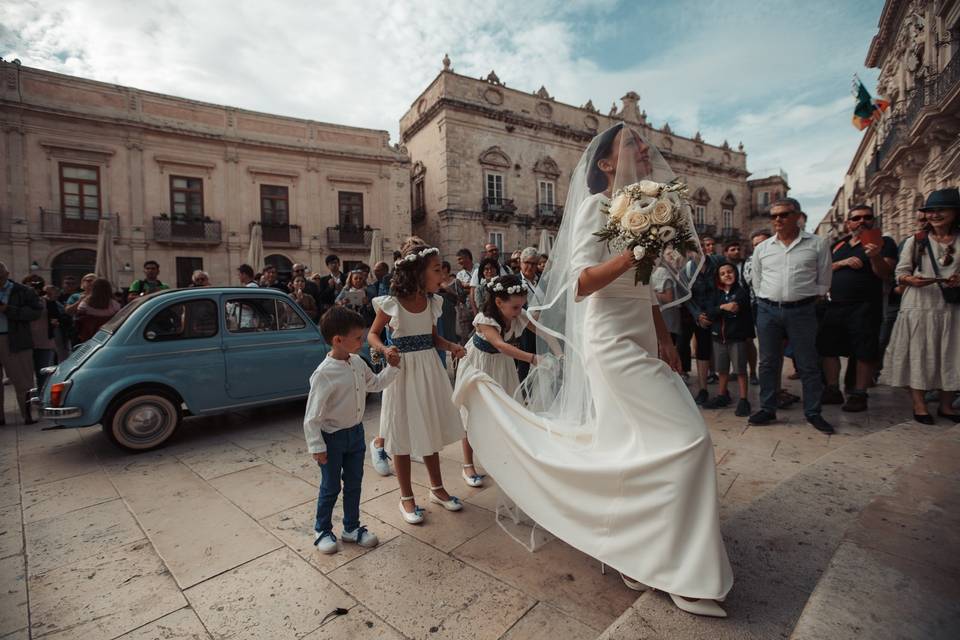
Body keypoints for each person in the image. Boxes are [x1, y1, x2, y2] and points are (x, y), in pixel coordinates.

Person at [452, 123, 732, 617]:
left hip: (643, 337)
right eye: (633, 145)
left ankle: (638, 553)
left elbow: (645, 288)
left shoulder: (649, 205)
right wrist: (635, 250)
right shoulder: (593, 208)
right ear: (606, 163)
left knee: (635, 448)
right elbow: (580, 284)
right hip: (609, 341)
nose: (645, 149)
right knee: (689, 440)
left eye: (645, 143)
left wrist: (665, 337)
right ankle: (681, 565)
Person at [366, 237, 467, 524]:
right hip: (403, 372)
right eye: (437, 269)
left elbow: (433, 338)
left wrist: (452, 347)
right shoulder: (392, 303)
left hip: (428, 369)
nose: (442, 275)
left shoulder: (433, 302)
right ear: (418, 272)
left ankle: (437, 488)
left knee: (429, 429)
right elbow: (372, 335)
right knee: (400, 433)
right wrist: (385, 350)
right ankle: (406, 497)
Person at [304, 306, 401, 553]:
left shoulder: (358, 362)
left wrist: (393, 367)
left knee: (354, 483)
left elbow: (376, 384)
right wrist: (317, 447)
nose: (362, 341)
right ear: (338, 340)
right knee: (331, 486)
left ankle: (351, 527)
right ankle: (322, 529)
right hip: (332, 438)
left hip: (355, 435)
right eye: (358, 338)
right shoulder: (323, 374)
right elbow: (312, 417)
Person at [749, 198, 834, 433]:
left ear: (798, 216)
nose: (778, 219)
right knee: (767, 363)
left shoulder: (818, 244)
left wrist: (806, 298)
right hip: (767, 309)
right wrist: (767, 298)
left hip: (802, 310)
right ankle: (767, 408)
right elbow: (757, 281)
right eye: (774, 215)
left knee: (808, 363)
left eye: (784, 214)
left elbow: (824, 279)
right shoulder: (762, 248)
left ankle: (813, 413)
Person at [882, 188, 960, 424]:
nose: (935, 215)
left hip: (952, 306)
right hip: (919, 305)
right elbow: (901, 273)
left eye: (941, 210)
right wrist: (911, 280)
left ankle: (946, 406)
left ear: (955, 212)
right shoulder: (916, 241)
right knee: (918, 353)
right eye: (930, 211)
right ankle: (919, 404)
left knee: (952, 353)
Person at [455, 274, 537, 488]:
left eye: (522, 306)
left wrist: (561, 344)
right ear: (499, 302)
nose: (520, 311)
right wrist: (533, 358)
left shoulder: (517, 312)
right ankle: (467, 465)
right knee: (473, 413)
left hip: (501, 364)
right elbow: (500, 345)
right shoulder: (485, 319)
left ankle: (507, 459)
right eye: (516, 307)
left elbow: (540, 329)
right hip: (480, 365)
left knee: (508, 409)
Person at [817, 204, 897, 412]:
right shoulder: (838, 245)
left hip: (866, 305)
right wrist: (842, 264)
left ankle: (859, 394)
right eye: (856, 218)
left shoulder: (883, 242)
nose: (861, 221)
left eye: (866, 217)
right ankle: (833, 389)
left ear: (873, 220)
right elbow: (824, 269)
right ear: (848, 223)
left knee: (864, 350)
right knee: (828, 348)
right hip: (835, 304)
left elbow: (886, 274)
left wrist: (875, 256)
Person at [703, 263, 754, 416]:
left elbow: (736, 308)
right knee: (722, 370)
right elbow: (710, 312)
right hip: (719, 338)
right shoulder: (715, 294)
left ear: (735, 273)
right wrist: (722, 308)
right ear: (718, 277)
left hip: (736, 338)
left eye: (730, 272)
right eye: (722, 273)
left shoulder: (741, 292)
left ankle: (744, 399)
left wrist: (722, 309)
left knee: (740, 370)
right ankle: (722, 395)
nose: (727, 275)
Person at [0, 262, 43, 424]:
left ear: (7, 274)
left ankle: (28, 415)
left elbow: (35, 313)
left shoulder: (23, 291)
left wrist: (7, 309)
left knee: (23, 380)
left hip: (15, 339)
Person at [685, 235, 721, 404]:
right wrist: (697, 315)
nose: (697, 250)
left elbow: (723, 287)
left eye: (699, 246)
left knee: (719, 349)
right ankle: (703, 389)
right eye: (693, 248)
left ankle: (722, 388)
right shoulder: (687, 269)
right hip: (699, 315)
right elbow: (687, 295)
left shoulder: (717, 263)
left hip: (717, 312)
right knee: (702, 350)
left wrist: (714, 312)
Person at [743, 230, 770, 386]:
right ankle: (757, 375)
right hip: (758, 306)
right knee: (764, 346)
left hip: (785, 305)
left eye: (762, 243)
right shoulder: (750, 262)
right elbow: (752, 282)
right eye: (756, 245)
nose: (759, 247)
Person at [22, 277, 58, 389]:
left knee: (43, 374)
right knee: (25, 375)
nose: (32, 290)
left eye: (35, 287)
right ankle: (30, 399)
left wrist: (55, 321)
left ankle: (42, 399)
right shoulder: (20, 303)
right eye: (28, 287)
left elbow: (56, 318)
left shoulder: (48, 302)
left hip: (44, 343)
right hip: (24, 343)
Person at [515, 247, 544, 381]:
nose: (530, 266)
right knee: (525, 362)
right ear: (521, 263)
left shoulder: (542, 281)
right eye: (527, 262)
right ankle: (523, 395)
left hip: (543, 326)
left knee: (543, 359)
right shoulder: (514, 281)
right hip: (524, 327)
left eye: (534, 263)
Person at [76, 278, 121, 343]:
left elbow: (79, 322)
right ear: (108, 289)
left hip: (89, 337)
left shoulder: (84, 305)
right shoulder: (115, 305)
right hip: (108, 338)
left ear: (93, 288)